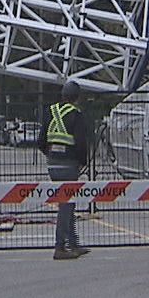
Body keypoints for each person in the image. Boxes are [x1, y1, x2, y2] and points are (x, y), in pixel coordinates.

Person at [44, 81, 92, 259]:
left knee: (68, 202)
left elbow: (42, 139)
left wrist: (50, 155)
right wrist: (82, 161)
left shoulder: (51, 111)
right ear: (77, 97)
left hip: (53, 164)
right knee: (66, 205)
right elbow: (81, 142)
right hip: (69, 165)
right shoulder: (76, 115)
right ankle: (60, 247)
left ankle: (73, 243)